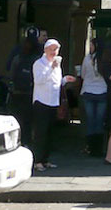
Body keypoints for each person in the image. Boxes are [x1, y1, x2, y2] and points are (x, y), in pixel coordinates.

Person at [32, 39, 76, 171]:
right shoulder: (39, 64)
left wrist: (65, 80)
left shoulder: (57, 64)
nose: (53, 52)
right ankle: (37, 161)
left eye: (55, 49)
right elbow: (39, 80)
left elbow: (55, 82)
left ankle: (45, 159)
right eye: (51, 49)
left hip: (53, 102)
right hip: (41, 101)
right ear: (45, 50)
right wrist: (51, 68)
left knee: (51, 132)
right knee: (41, 132)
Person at [9, 36, 40, 146]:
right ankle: (27, 141)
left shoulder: (18, 58)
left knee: (17, 119)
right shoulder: (37, 60)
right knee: (28, 120)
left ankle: (16, 141)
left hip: (17, 93)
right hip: (30, 93)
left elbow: (11, 74)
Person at [79, 38, 107, 157]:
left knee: (90, 120)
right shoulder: (105, 59)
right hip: (102, 92)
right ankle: (99, 149)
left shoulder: (87, 59)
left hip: (88, 91)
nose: (90, 48)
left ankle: (90, 147)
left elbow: (83, 75)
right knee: (99, 121)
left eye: (91, 45)